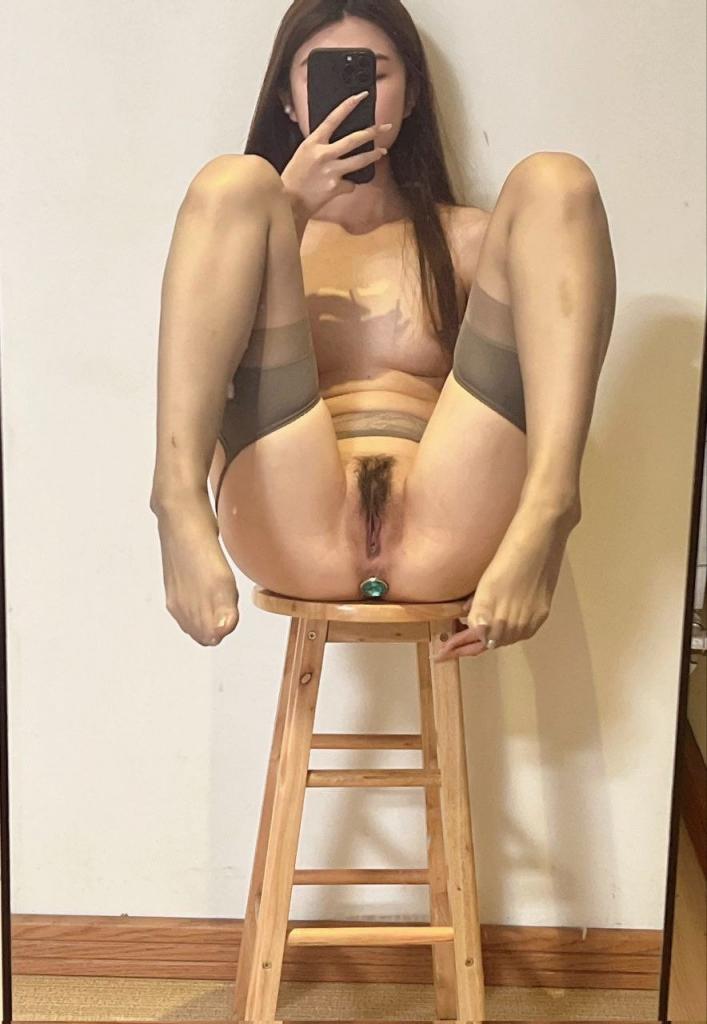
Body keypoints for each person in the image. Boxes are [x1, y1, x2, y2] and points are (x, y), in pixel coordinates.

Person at [149, 0, 616, 659]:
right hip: (289, 525)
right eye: (321, 71)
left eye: (375, 72)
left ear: (412, 93)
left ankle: (551, 510)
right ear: (287, 98)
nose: (350, 94)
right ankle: (175, 502)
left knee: (555, 181)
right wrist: (287, 207)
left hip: (447, 528)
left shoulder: (464, 240)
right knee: (233, 181)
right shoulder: (253, 240)